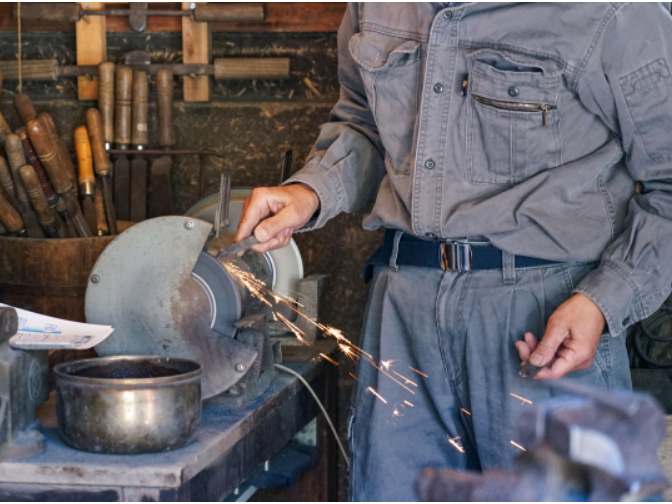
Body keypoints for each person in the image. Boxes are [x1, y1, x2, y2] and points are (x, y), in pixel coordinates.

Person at [235, 3, 672, 501]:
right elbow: (365, 124)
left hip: (547, 318)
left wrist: (603, 300)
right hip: (404, 309)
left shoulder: (613, 12)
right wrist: (311, 192)